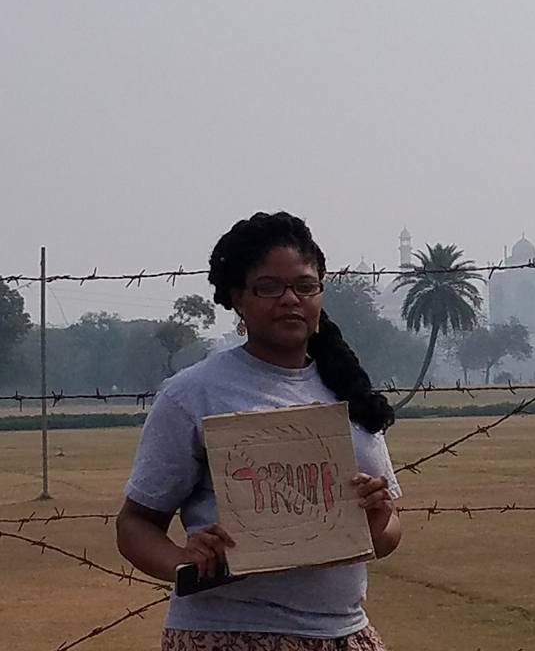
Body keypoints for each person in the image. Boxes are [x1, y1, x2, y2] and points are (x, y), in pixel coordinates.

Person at [116, 211, 401, 651]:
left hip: (343, 632)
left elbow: (386, 535)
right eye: (269, 287)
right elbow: (135, 524)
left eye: (305, 286)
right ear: (238, 299)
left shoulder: (349, 391)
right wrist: (183, 561)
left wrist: (378, 519)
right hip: (228, 632)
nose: (290, 299)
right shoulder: (194, 393)